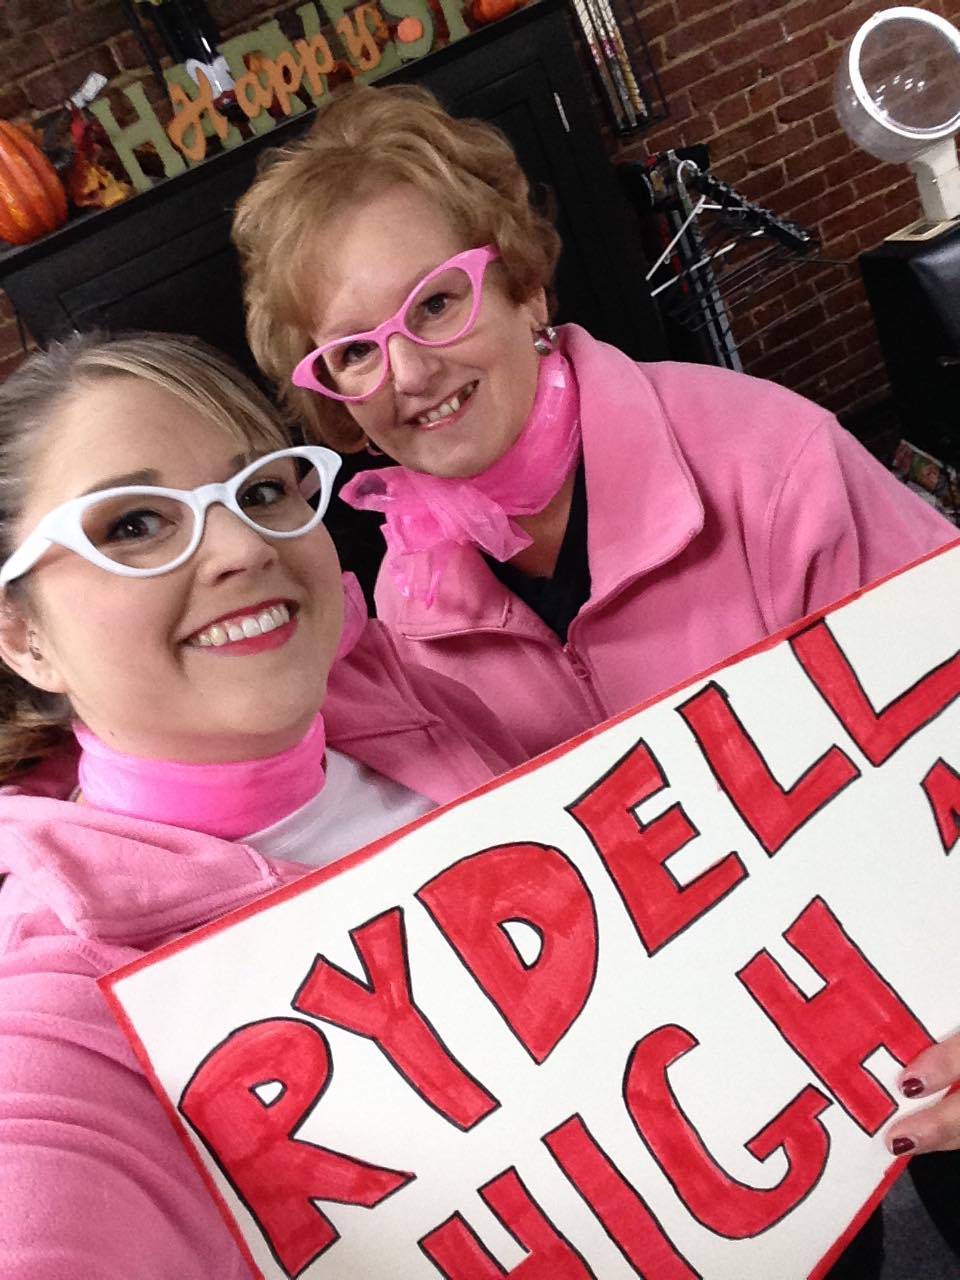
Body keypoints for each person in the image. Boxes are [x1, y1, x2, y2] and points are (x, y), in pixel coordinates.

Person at [233, 82, 960, 1277]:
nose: (407, 371)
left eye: (437, 302)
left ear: (525, 287)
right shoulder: (401, 611)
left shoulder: (767, 458)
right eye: (355, 351)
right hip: (728, 1105)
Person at [0, 331, 526, 1277]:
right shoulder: (66, 1003)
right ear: (22, 636)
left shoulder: (426, 708)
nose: (244, 547)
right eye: (134, 524)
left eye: (261, 491)